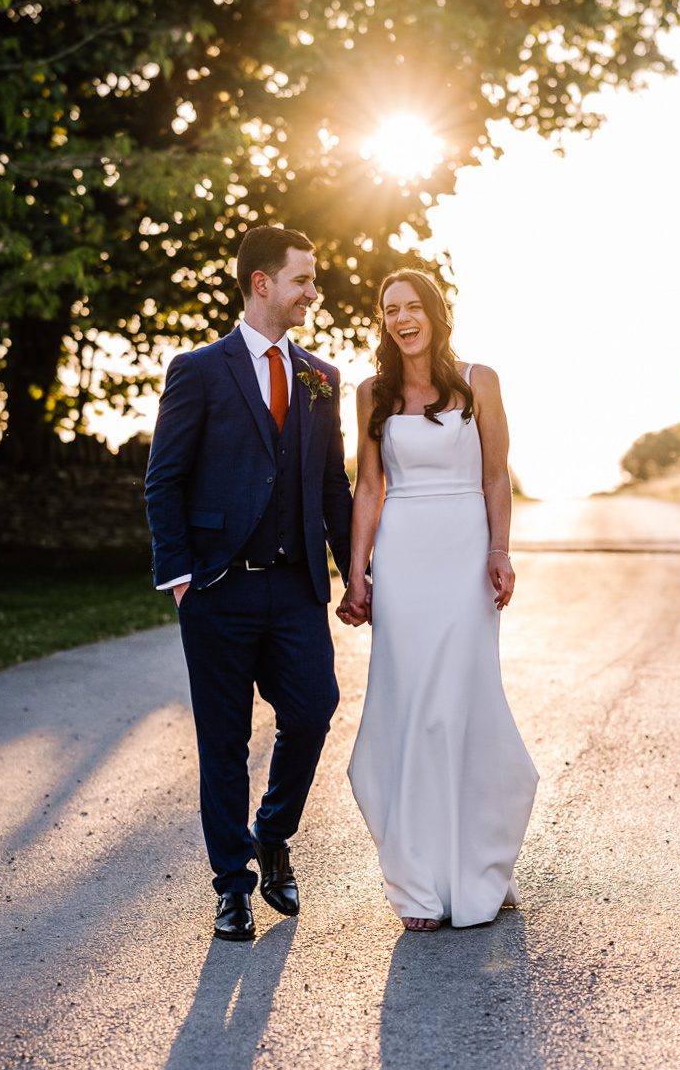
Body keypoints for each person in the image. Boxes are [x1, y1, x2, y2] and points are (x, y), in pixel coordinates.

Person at [145, 225, 357, 940]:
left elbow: (333, 485)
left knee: (312, 710)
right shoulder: (199, 369)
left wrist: (356, 572)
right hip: (216, 590)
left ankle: (273, 831)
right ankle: (231, 886)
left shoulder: (322, 377)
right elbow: (165, 477)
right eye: (303, 279)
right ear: (262, 283)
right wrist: (179, 576)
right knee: (223, 742)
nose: (313, 292)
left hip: (295, 588)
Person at [340, 269, 539, 931]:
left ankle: (481, 863)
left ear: (435, 312)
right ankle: (420, 879)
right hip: (404, 558)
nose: (401, 318)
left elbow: (495, 477)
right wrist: (357, 572)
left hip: (464, 555)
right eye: (388, 308)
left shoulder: (479, 381)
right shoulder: (371, 393)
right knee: (412, 707)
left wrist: (499, 551)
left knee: (461, 705)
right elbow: (369, 489)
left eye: (412, 305)